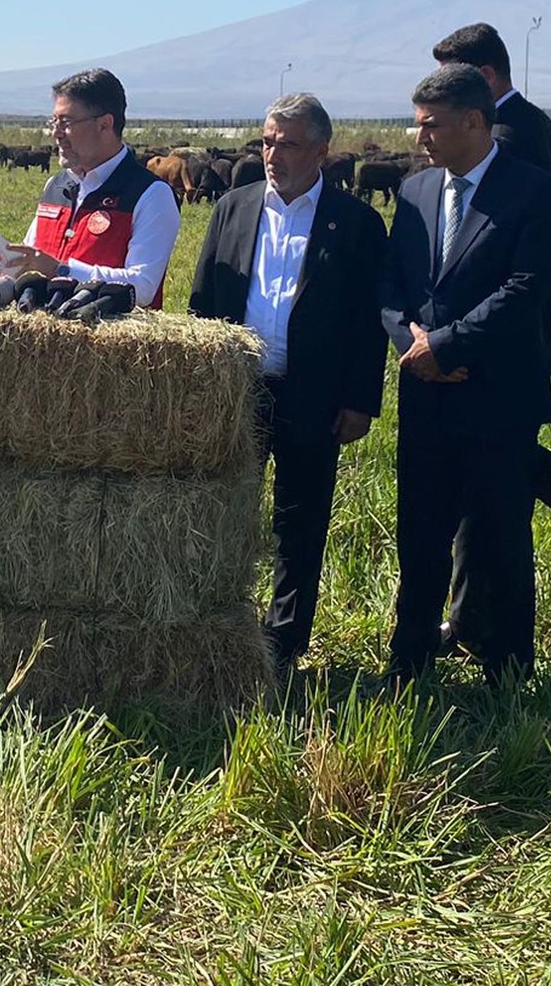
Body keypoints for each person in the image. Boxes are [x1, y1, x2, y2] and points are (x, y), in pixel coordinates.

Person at [189, 93, 387, 674]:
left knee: (300, 524)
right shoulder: (233, 206)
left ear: (322, 151)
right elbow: (203, 300)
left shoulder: (356, 224)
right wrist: (203, 388)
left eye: (288, 143)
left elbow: (366, 322)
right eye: (268, 141)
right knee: (224, 514)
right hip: (239, 392)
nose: (273, 154)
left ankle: (284, 646)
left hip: (313, 394)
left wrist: (359, 401)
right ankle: (219, 628)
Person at [381, 64, 551, 687]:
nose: (418, 136)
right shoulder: (415, 192)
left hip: (497, 397)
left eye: (430, 124)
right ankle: (409, 662)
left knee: (500, 535)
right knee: (419, 531)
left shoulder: (536, 192)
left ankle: (508, 668)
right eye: (416, 123)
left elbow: (528, 288)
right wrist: (411, 339)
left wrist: (451, 345)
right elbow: (395, 285)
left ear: (474, 121)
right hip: (425, 393)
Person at [431, 23, 551, 656]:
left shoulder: (508, 137)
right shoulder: (540, 127)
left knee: (496, 460)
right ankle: (472, 617)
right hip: (532, 321)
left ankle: (483, 624)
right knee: (490, 469)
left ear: (487, 80)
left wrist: (477, 328)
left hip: (510, 330)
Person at [3, 68, 180, 307]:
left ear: (105, 125)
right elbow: (33, 260)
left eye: (66, 122)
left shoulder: (151, 194)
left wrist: (61, 270)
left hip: (108, 341)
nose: (55, 133)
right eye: (53, 121)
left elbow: (142, 287)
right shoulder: (55, 186)